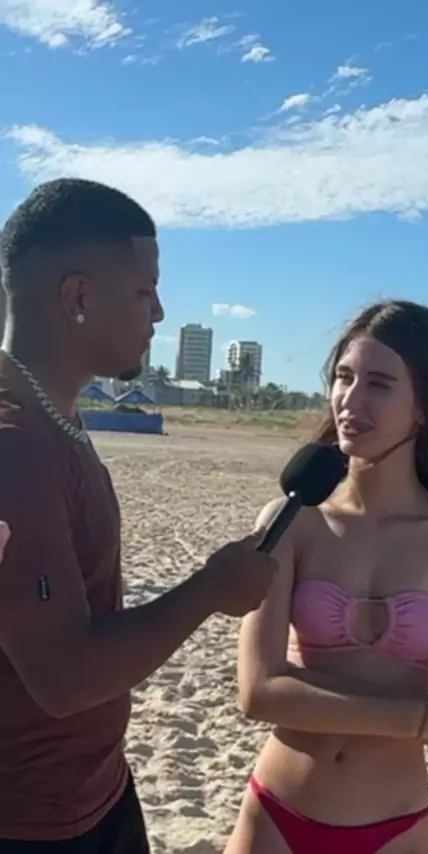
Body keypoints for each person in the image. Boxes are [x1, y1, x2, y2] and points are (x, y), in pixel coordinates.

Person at [0, 178, 277, 852]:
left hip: (95, 789)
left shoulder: (51, 414)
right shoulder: (14, 440)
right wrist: (210, 590)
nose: (158, 312)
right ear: (78, 297)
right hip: (31, 821)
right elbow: (65, 678)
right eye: (144, 290)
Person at [225, 299, 428, 854]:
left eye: (379, 385)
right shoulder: (292, 521)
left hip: (396, 827)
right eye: (344, 377)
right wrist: (422, 718)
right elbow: (259, 691)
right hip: (276, 812)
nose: (350, 399)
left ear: (426, 406)